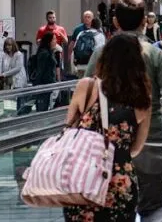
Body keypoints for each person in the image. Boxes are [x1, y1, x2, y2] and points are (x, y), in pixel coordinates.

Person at [82, 0, 162, 218]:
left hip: (106, 147)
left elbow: (85, 98)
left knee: (112, 211)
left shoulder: (100, 55)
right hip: (149, 144)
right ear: (144, 21)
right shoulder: (155, 54)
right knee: (153, 212)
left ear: (115, 22)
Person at [63, 33, 151, 222]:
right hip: (120, 181)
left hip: (81, 179)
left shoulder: (86, 87)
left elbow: (68, 128)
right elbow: (136, 148)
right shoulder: (142, 97)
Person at [29, 32, 60, 112]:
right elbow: (41, 70)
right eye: (54, 39)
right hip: (44, 85)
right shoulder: (44, 53)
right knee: (42, 108)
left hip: (49, 84)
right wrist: (37, 86)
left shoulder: (50, 52)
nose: (55, 41)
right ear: (48, 41)